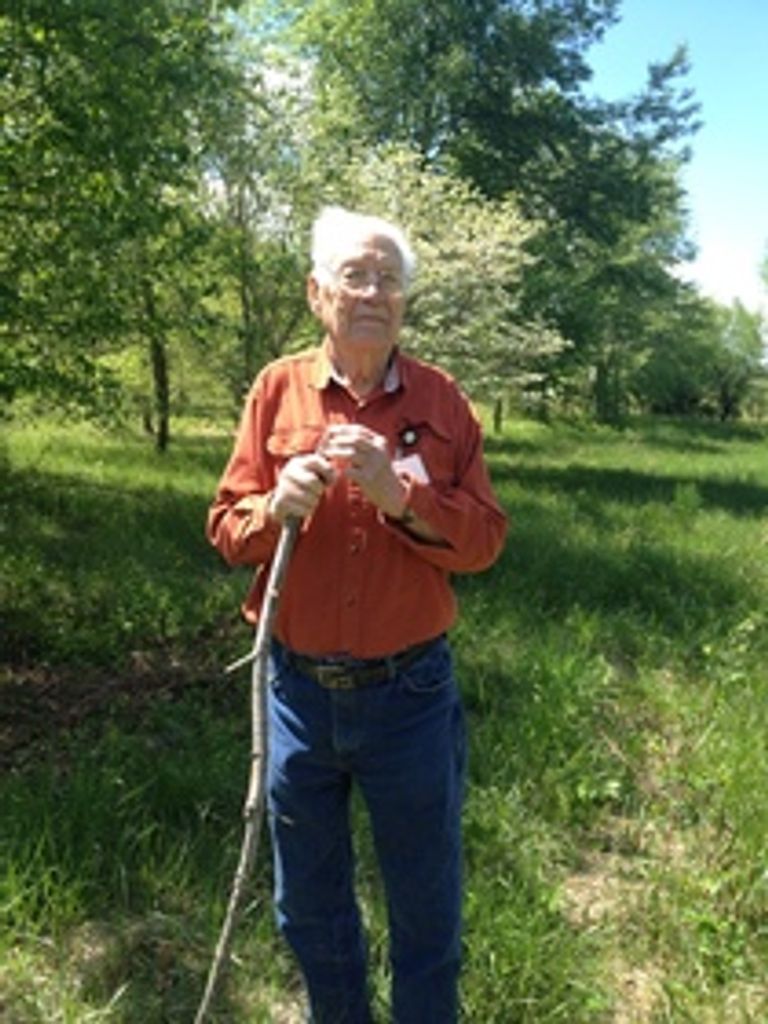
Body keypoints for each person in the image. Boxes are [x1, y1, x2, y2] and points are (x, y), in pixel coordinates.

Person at [207, 205, 507, 1023]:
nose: (374, 292)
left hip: (411, 696)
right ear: (317, 293)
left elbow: (485, 542)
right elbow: (226, 528)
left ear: (404, 300)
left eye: (389, 279)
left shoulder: (443, 401)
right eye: (355, 275)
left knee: (426, 906)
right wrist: (274, 507)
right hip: (297, 695)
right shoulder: (276, 390)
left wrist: (398, 494)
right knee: (308, 907)